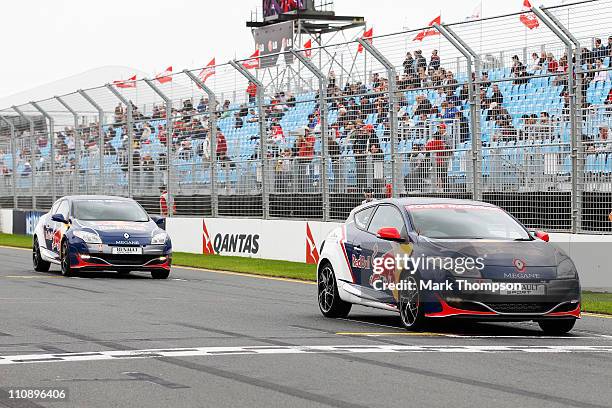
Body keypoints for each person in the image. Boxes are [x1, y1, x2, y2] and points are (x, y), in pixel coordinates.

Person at [296, 127, 315, 192]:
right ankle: (300, 189)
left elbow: (310, 145)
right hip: (301, 158)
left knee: (307, 175)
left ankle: (308, 189)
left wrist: (304, 139)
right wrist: (299, 139)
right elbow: (298, 146)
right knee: (300, 175)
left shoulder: (311, 137)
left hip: (308, 159)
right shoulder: (301, 138)